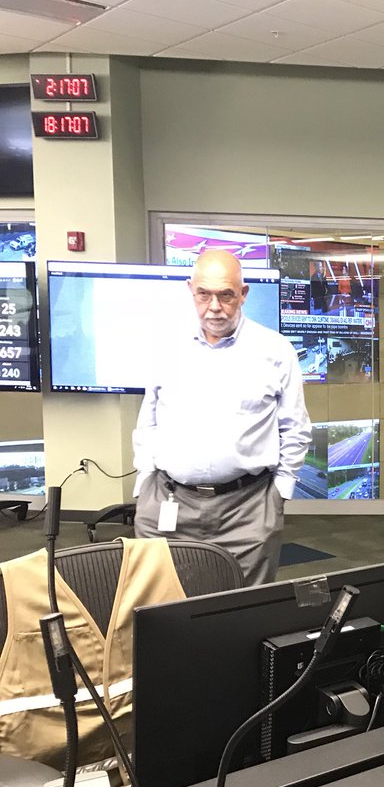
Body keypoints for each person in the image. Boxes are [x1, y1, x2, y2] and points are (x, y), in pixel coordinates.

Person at [133, 249, 312, 585]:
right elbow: (149, 419)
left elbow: (295, 428)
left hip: (247, 509)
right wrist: (144, 483)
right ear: (191, 290)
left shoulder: (275, 351)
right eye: (204, 294)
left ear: (243, 294)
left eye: (226, 295)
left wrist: (278, 495)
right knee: (162, 602)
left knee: (243, 606)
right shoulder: (166, 347)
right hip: (168, 502)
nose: (214, 306)